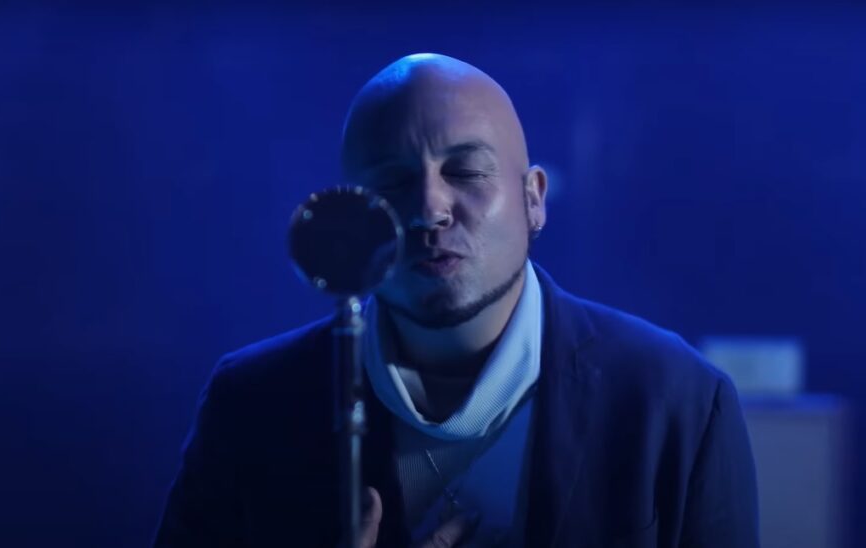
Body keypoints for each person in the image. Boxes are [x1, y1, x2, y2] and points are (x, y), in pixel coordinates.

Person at [154, 53, 759, 548]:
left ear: (534, 199)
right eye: (392, 182)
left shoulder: (674, 400)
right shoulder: (252, 406)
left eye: (466, 172)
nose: (429, 210)